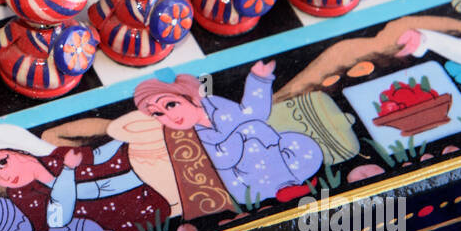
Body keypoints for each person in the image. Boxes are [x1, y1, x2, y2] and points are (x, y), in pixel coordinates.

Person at [133, 62, 323, 205]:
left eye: (171, 104)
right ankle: (281, 188)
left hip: (268, 153)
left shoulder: (216, 105)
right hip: (243, 176)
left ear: (190, 96)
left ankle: (290, 182)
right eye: (157, 113)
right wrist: (242, 135)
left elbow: (253, 112)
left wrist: (258, 79)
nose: (169, 116)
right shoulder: (191, 136)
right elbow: (222, 159)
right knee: (253, 135)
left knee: (288, 142)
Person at [0, 124, 169, 231]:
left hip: (136, 175)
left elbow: (97, 155)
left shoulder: (54, 156)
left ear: (19, 150)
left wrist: (125, 137)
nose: (4, 177)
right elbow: (59, 218)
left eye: (1, 163)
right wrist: (68, 170)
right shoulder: (21, 194)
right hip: (123, 217)